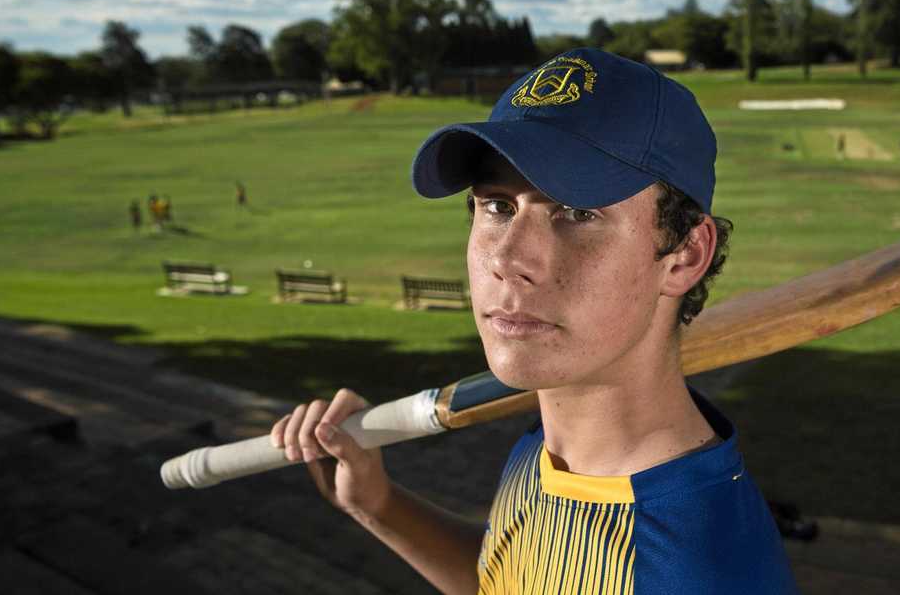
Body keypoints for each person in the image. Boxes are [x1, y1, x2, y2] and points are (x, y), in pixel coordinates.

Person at [271, 48, 798, 594]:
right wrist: (379, 504)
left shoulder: (695, 573)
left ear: (685, 255)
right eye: (498, 206)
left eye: (577, 213)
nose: (507, 260)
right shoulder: (551, 441)